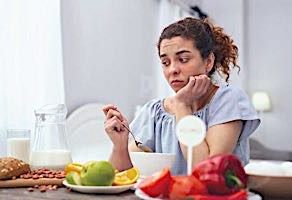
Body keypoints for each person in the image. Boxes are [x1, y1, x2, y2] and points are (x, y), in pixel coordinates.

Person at [103, 17, 260, 175]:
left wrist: (182, 106)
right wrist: (120, 145)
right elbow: (121, 176)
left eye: (183, 59)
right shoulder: (154, 111)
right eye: (165, 62)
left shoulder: (228, 99)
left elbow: (207, 173)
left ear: (208, 62)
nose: (172, 70)